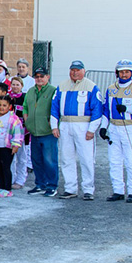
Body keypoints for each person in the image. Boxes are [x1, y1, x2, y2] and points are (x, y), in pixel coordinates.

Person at [50, 60, 103, 200]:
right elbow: (54, 107)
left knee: (86, 158)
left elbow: (97, 110)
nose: (75, 72)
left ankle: (88, 189)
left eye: (78, 70)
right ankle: (70, 188)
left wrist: (92, 129)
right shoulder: (61, 86)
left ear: (83, 71)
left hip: (83, 126)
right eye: (72, 69)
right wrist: (54, 126)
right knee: (66, 158)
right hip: (66, 125)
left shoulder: (92, 87)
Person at [98, 60, 132, 203]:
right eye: (121, 72)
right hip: (114, 127)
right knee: (114, 160)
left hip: (131, 126)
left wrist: (128, 109)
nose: (124, 75)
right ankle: (118, 190)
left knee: (131, 160)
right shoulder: (110, 89)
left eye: (127, 72)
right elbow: (106, 110)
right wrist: (103, 127)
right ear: (117, 73)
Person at [25, 67, 58, 197]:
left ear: (47, 77)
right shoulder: (31, 91)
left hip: (47, 132)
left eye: (42, 76)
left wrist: (54, 124)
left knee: (49, 160)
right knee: (36, 160)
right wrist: (27, 121)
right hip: (34, 132)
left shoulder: (53, 91)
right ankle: (40, 184)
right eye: (37, 76)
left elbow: (56, 109)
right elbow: (26, 107)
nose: (39, 78)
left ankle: (52, 185)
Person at [0, 95, 25, 198]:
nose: (1, 107)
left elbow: (18, 132)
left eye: (4, 105)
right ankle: (1, 186)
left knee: (5, 167)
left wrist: (16, 144)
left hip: (7, 146)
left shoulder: (13, 118)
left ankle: (7, 188)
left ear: (9, 106)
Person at [8, 77, 30, 190]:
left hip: (22, 132)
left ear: (21, 86)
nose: (15, 87)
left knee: (21, 157)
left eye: (17, 85)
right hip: (9, 132)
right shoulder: (8, 98)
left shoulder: (25, 97)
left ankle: (20, 179)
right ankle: (10, 178)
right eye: (13, 84)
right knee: (10, 157)